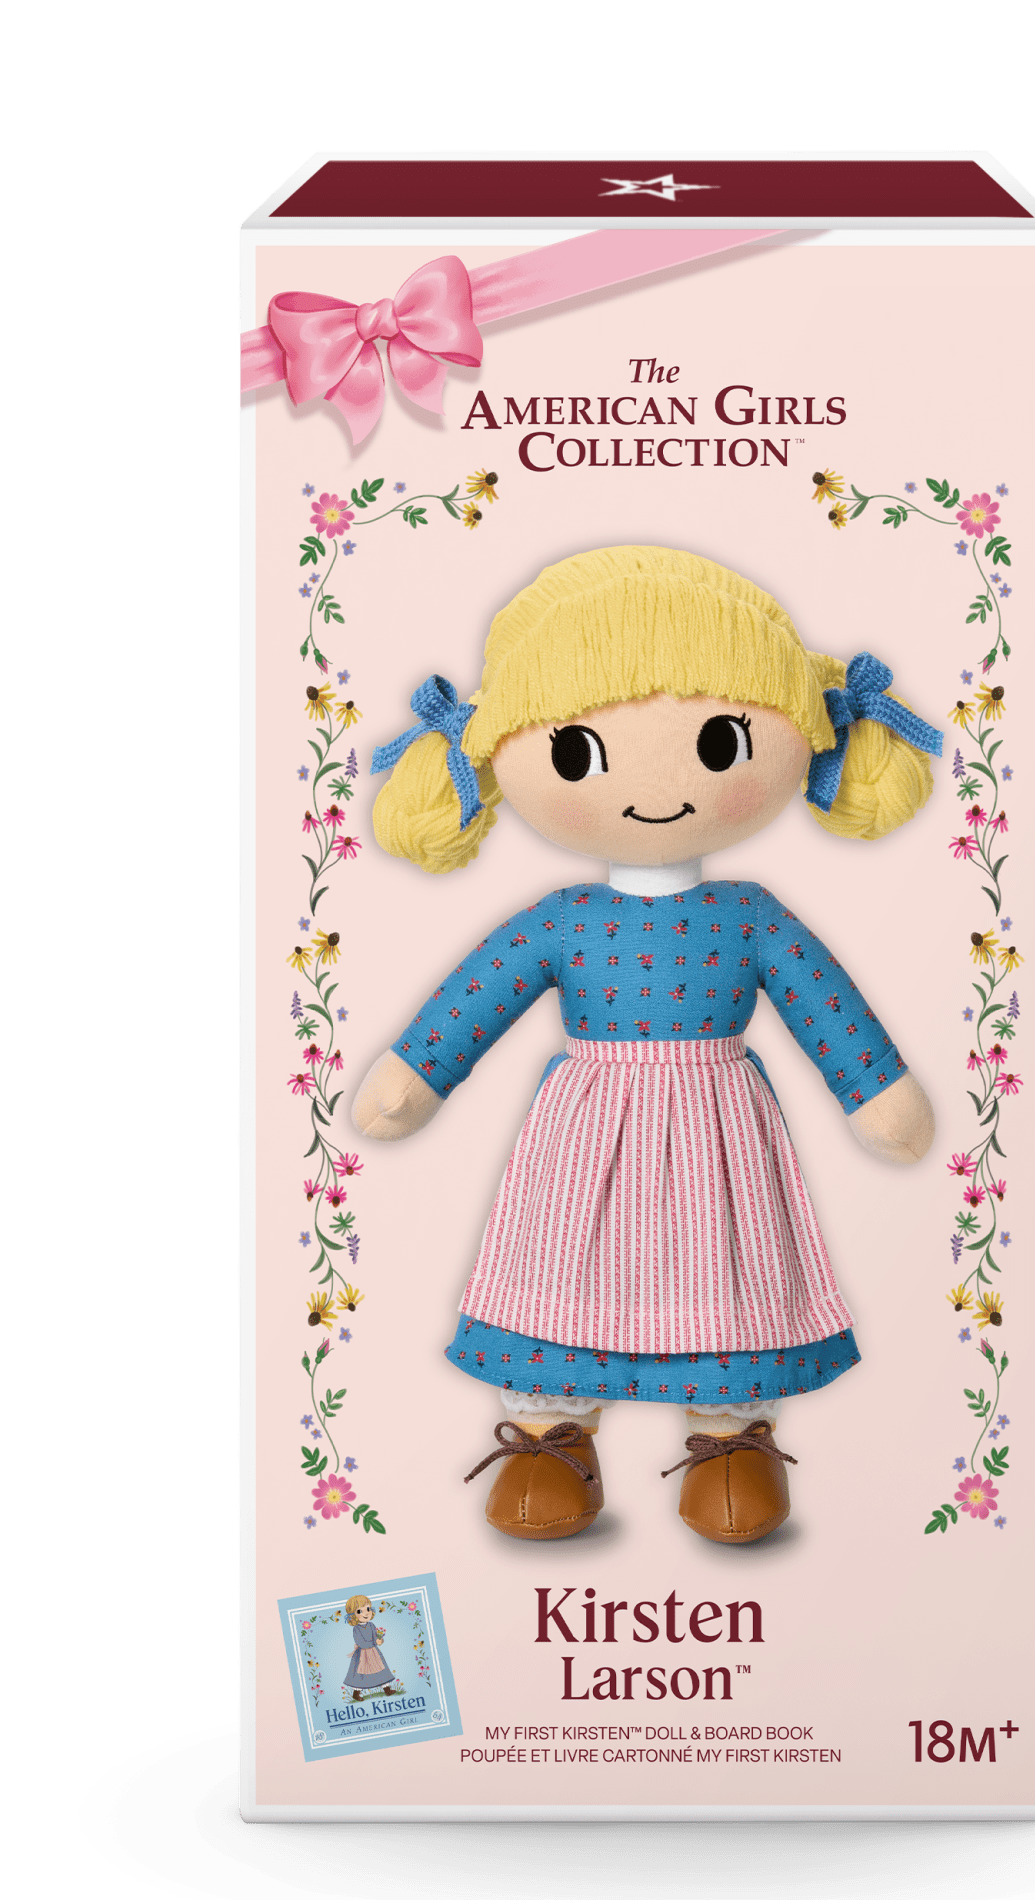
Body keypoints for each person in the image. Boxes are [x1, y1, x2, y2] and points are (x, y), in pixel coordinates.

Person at [358, 546, 939, 1545]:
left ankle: (729, 1436)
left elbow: (826, 1008)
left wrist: (875, 1091)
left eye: (719, 742)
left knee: (723, 1264)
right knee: (564, 1260)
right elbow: (474, 1001)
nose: (657, 789)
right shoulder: (563, 920)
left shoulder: (750, 915)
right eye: (578, 753)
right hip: (586, 1131)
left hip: (718, 1127)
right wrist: (412, 1077)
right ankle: (550, 1433)